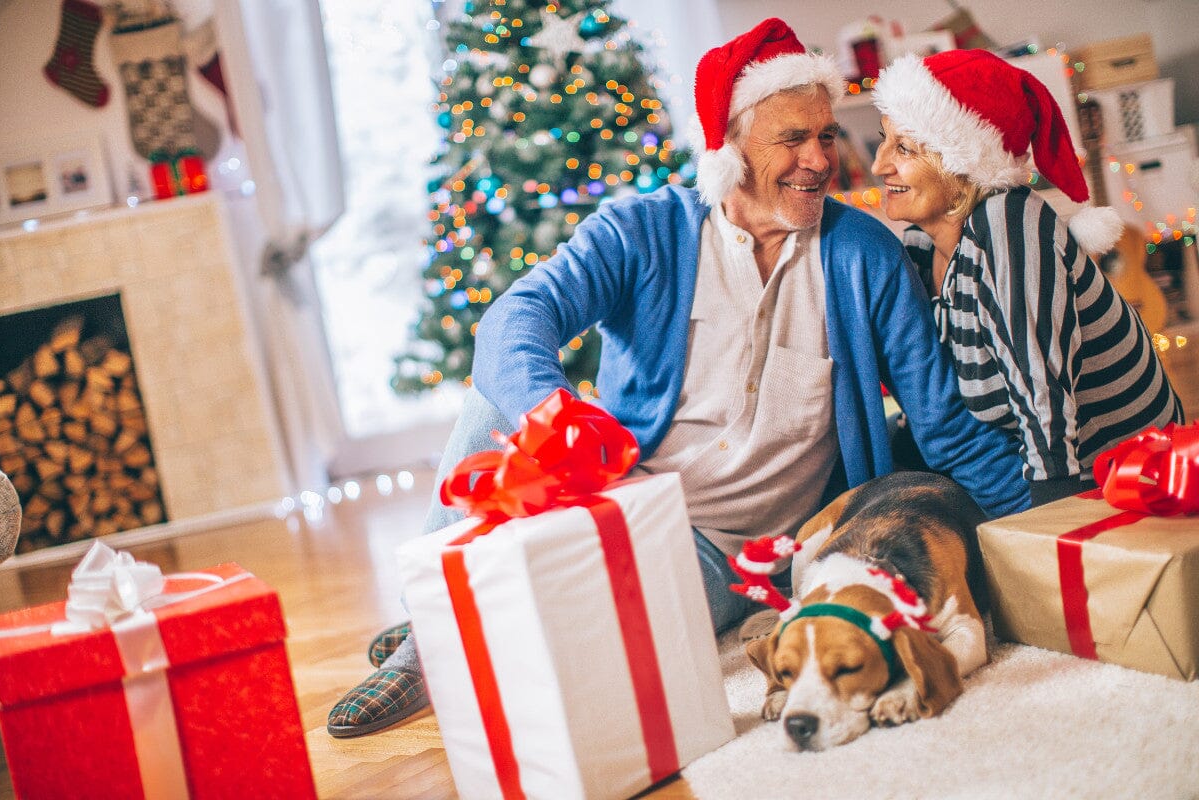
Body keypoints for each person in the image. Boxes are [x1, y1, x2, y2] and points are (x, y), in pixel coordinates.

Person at [327, 18, 1031, 739]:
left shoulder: (864, 257)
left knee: (577, 636)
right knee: (489, 403)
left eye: (825, 135)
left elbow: (945, 423)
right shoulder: (644, 230)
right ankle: (426, 641)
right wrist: (559, 416)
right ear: (729, 145)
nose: (819, 159)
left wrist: (1043, 528)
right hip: (619, 497)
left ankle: (456, 617)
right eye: (793, 139)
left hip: (731, 550)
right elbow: (515, 318)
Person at [870, 49, 1184, 506]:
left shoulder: (1008, 224)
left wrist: (1046, 525)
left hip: (1131, 478)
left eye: (903, 148)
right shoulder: (921, 246)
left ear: (961, 163)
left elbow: (1042, 389)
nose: (879, 165)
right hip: (1061, 464)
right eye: (884, 140)